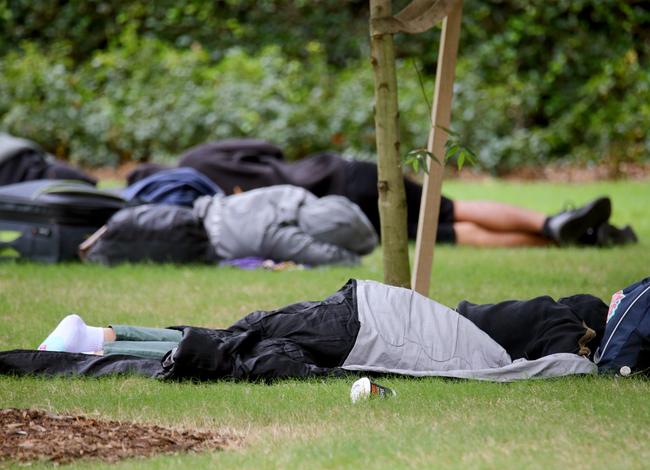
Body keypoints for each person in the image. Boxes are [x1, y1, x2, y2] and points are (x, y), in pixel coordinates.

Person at [27, 278, 618, 382]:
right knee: (233, 347)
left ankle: (97, 336)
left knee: (236, 338)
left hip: (363, 311)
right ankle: (91, 339)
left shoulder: (547, 314)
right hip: (366, 324)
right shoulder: (559, 326)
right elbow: (569, 366)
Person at [129, 139, 638, 247]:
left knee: (446, 233)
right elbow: (268, 145)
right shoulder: (197, 158)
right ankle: (551, 224)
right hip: (342, 175)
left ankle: (581, 239)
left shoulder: (196, 198)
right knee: (451, 206)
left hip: (331, 215)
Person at [83, 184, 379, 267]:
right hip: (199, 240)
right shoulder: (283, 236)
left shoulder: (294, 194)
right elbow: (330, 257)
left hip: (198, 209)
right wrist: (352, 257)